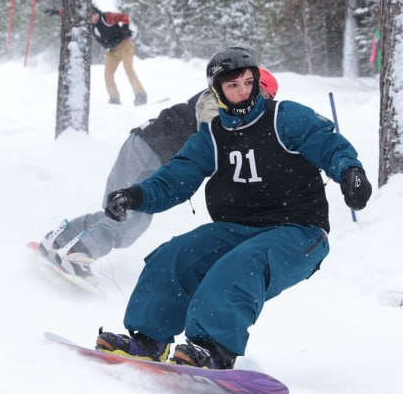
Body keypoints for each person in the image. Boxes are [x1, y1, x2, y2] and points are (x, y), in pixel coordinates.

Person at [94, 47, 371, 370]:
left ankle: (214, 349)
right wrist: (136, 196)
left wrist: (350, 172)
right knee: (174, 255)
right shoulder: (212, 136)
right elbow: (175, 179)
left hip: (298, 231)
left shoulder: (286, 117)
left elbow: (327, 144)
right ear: (217, 91)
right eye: (232, 85)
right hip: (236, 230)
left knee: (240, 266)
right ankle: (148, 340)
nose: (242, 91)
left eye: (248, 82)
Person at [40, 69, 280, 279]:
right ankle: (77, 255)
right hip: (151, 150)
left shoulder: (236, 107)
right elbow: (213, 132)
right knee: (130, 221)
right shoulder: (220, 99)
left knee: (119, 210)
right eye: (260, 93)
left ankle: (61, 238)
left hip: (147, 146)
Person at [91, 7, 146, 106]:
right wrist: (56, 12)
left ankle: (141, 95)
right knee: (108, 74)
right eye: (90, 16)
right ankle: (114, 98)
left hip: (124, 44)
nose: (93, 18)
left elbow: (124, 17)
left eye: (94, 14)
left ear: (98, 13)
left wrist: (125, 27)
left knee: (128, 69)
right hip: (112, 50)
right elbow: (69, 12)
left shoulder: (107, 17)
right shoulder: (91, 26)